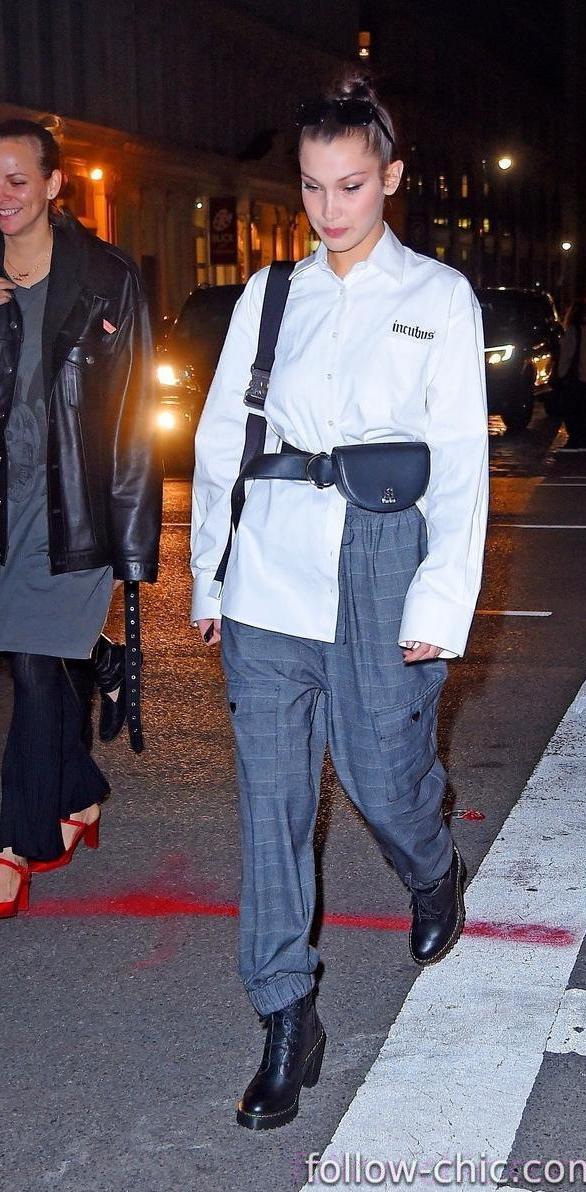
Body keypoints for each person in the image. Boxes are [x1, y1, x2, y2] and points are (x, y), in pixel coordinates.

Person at [191, 76, 488, 1130]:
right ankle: (285, 1015)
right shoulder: (272, 295)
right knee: (271, 807)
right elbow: (222, 436)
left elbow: (460, 464)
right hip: (271, 571)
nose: (329, 208)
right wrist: (210, 572)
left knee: (381, 775)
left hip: (382, 556)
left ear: (390, 177)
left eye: (351, 185)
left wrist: (439, 603)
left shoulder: (438, 296)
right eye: (314, 186)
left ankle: (432, 864)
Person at [0, 119, 161, 917]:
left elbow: (132, 410)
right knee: (26, 656)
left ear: (53, 184)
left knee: (33, 664)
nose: (2, 196)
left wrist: (132, 541)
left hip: (70, 508)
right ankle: (80, 788)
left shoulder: (105, 276)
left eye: (16, 179)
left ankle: (16, 843)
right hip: (5, 505)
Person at [554, 298, 586, 450]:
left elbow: (567, 354)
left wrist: (561, 374)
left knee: (574, 410)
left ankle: (576, 439)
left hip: (577, 376)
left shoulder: (573, 329)